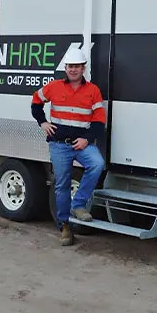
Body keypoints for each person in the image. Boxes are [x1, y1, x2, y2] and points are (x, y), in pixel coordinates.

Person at [31, 48, 106, 246]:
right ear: (65, 68)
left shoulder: (93, 91)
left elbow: (99, 121)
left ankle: (78, 205)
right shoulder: (54, 87)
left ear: (83, 68)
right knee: (62, 185)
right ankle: (64, 226)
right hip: (59, 145)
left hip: (81, 144)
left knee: (97, 164)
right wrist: (43, 123)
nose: (73, 70)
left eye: (77, 67)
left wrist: (86, 140)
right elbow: (35, 102)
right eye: (70, 66)